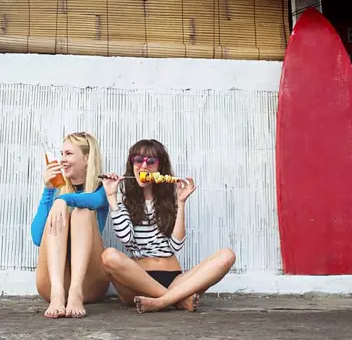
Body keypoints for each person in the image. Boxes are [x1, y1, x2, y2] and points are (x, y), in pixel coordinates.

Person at [100, 139, 236, 313]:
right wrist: (112, 196)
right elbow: (126, 238)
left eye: (150, 162)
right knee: (108, 256)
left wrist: (181, 202)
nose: (143, 166)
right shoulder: (123, 201)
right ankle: (175, 300)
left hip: (174, 279)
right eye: (138, 160)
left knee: (227, 255)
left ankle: (161, 301)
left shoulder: (169, 200)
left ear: (160, 167)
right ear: (131, 163)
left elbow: (176, 245)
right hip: (137, 281)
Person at [30, 132, 110, 319]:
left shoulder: (103, 189)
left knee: (81, 212)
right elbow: (37, 237)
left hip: (88, 285)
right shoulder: (57, 192)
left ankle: (75, 292)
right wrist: (49, 191)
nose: (62, 160)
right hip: (51, 284)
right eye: (61, 154)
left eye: (69, 154)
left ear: (87, 158)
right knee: (63, 212)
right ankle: (57, 294)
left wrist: (63, 199)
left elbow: (91, 200)